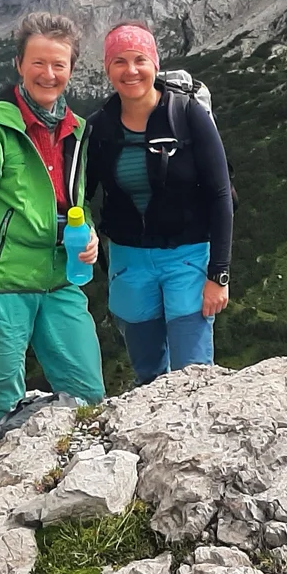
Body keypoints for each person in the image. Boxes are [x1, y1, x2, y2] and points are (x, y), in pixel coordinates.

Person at [0, 11, 106, 434]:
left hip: (60, 281)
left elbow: (75, 203)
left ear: (71, 69)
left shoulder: (77, 130)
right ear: (19, 64)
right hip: (3, 287)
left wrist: (88, 232)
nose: (48, 74)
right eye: (38, 62)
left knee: (89, 397)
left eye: (59, 64)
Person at [85, 21, 233, 384]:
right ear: (107, 68)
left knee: (193, 374)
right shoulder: (99, 128)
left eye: (140, 59)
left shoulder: (187, 114)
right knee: (147, 372)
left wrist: (219, 274)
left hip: (188, 256)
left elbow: (220, 194)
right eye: (119, 61)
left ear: (155, 63)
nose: (131, 70)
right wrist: (84, 229)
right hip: (128, 261)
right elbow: (80, 195)